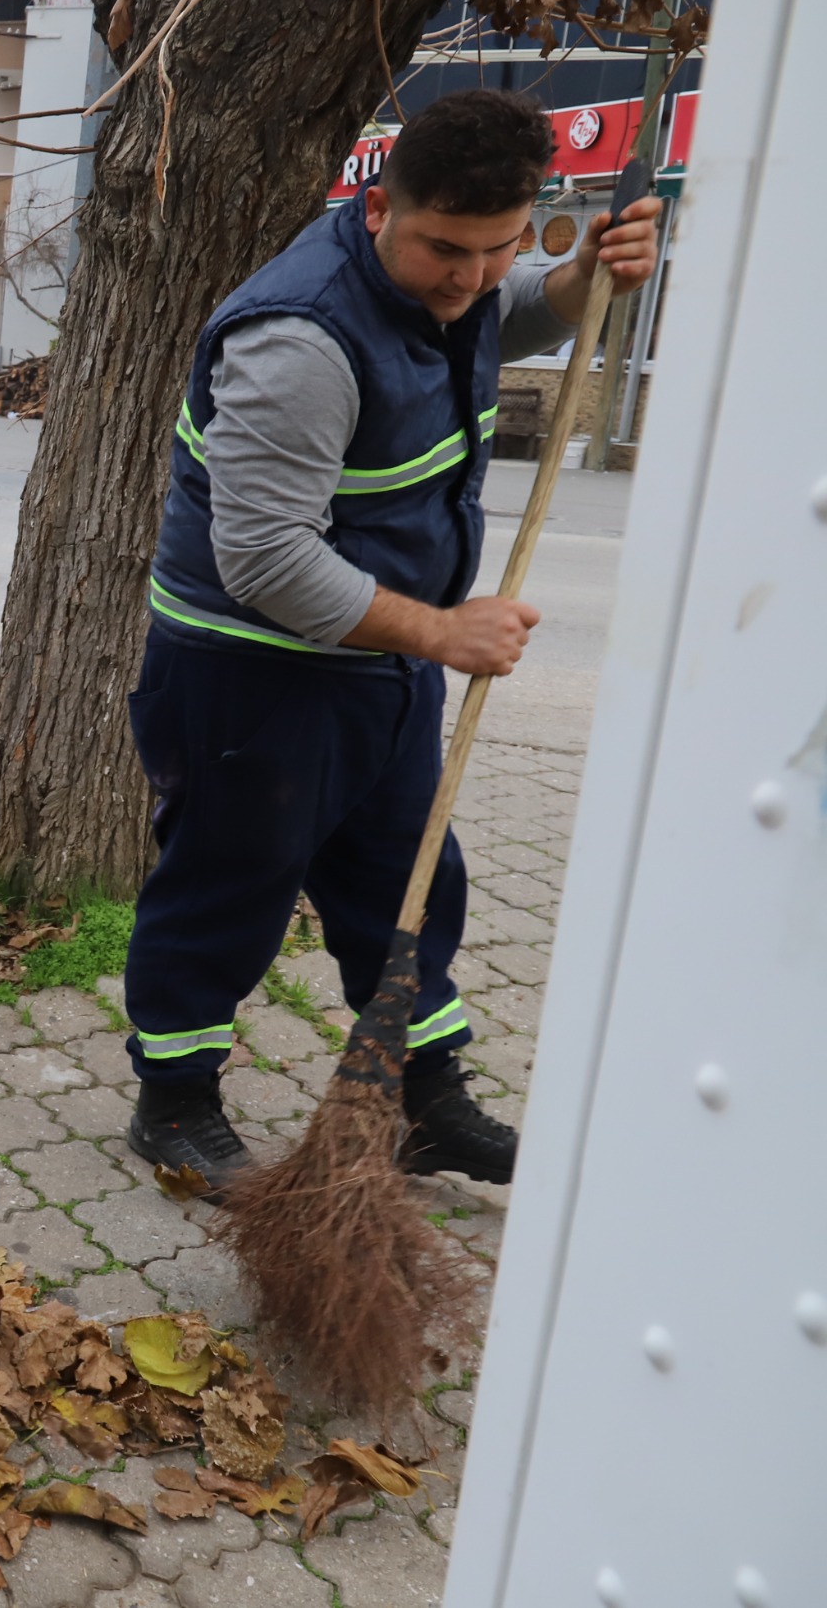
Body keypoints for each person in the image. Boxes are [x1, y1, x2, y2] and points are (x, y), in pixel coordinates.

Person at [122, 89, 663, 1184]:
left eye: (498, 246)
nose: (466, 275)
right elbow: (265, 559)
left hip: (383, 658)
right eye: (442, 248)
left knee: (408, 876)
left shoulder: (450, 288)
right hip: (251, 668)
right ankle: (173, 1101)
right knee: (229, 884)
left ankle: (424, 1097)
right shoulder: (300, 338)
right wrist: (442, 631)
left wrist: (579, 278)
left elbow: (504, 314)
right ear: (377, 209)